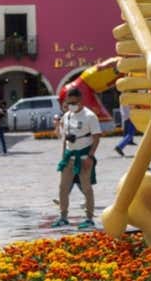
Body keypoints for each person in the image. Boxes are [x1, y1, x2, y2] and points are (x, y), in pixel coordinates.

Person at [53, 88, 101, 229]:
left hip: (84, 156)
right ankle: (63, 216)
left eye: (74, 102)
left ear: (80, 101)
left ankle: (89, 217)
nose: (71, 105)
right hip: (69, 156)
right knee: (63, 187)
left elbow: (96, 137)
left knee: (86, 188)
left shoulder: (89, 116)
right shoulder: (67, 116)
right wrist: (63, 158)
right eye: (69, 102)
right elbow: (65, 138)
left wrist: (90, 156)